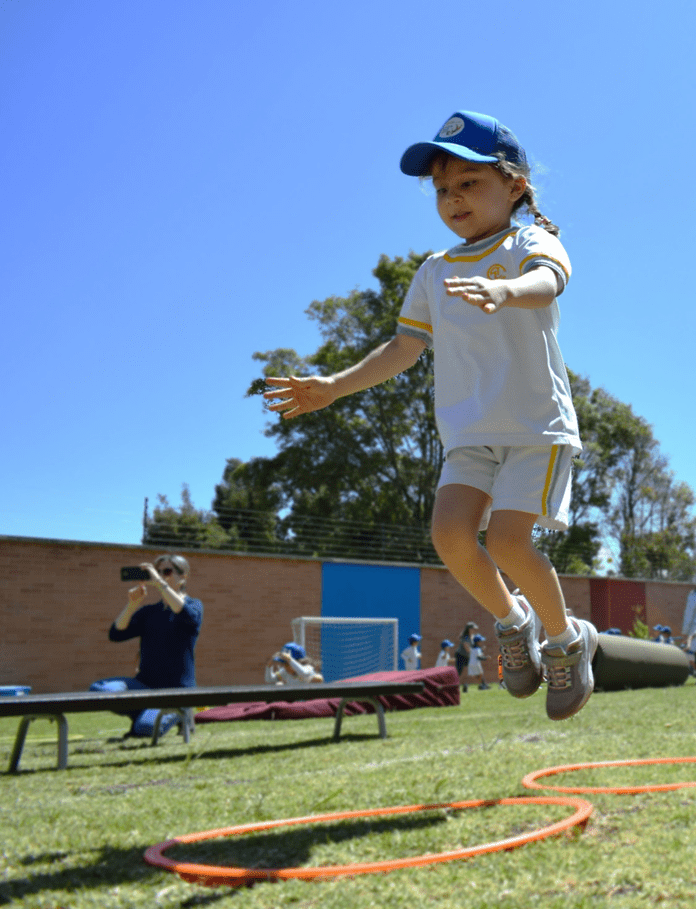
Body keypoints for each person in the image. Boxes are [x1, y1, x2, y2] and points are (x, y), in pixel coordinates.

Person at [264, 110, 598, 722]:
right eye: (443, 189)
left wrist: (506, 290)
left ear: (515, 184)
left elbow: (551, 279)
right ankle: (513, 620)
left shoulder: (527, 244)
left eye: (469, 183)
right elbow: (403, 348)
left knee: (508, 540)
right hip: (470, 435)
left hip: (535, 429)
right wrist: (334, 387)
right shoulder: (435, 269)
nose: (452, 199)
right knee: (449, 535)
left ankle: (568, 640)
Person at [90, 554, 202, 738]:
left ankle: (180, 714)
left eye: (166, 571)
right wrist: (132, 605)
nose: (160, 576)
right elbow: (116, 634)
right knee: (99, 690)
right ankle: (144, 714)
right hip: (145, 688)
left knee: (145, 729)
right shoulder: (149, 612)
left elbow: (187, 615)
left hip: (177, 691)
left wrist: (159, 583)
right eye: (157, 572)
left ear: (184, 577)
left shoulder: (194, 605)